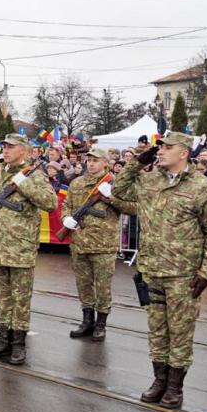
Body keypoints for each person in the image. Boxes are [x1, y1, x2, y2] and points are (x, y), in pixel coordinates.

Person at [112, 132, 207, 409]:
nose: (160, 151)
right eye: (159, 148)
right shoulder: (150, 180)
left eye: (167, 147)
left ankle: (175, 386)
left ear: (184, 153)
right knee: (157, 330)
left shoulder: (203, 186)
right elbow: (118, 190)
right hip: (152, 269)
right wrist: (137, 162)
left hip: (184, 274)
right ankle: (159, 379)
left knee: (180, 331)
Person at [0, 133, 57, 364]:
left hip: (21, 248)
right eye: (5, 146)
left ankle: (19, 344)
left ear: (24, 150)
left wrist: (24, 184)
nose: (6, 150)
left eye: (11, 147)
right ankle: (4, 340)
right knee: (3, 298)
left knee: (21, 300)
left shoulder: (35, 176)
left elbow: (50, 204)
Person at [62, 146, 135, 341]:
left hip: (103, 244)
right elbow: (66, 205)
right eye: (89, 160)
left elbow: (133, 208)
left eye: (96, 160)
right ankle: (87, 320)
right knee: (84, 284)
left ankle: (101, 323)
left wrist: (110, 199)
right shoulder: (77, 183)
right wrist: (66, 219)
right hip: (79, 242)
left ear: (106, 162)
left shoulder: (115, 184)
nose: (91, 163)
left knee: (103, 287)